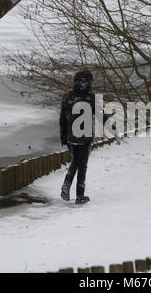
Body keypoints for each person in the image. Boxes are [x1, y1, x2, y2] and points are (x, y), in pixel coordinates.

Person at [59, 71, 120, 204]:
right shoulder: (91, 99)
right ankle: (80, 195)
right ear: (86, 82)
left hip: (70, 137)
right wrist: (113, 130)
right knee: (82, 165)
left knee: (76, 161)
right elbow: (101, 117)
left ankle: (67, 184)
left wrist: (63, 137)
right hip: (85, 137)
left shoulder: (67, 97)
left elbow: (62, 119)